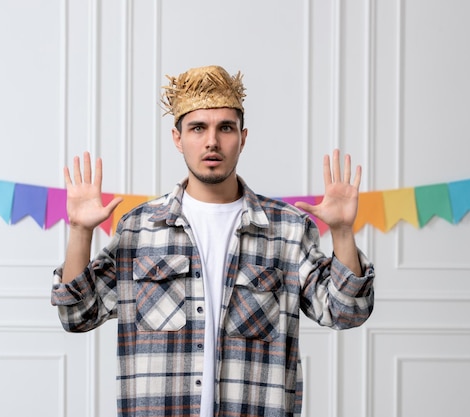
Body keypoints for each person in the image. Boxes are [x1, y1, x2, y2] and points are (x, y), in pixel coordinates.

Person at [51, 65, 375, 417]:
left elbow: (346, 312)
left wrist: (342, 232)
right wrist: (81, 232)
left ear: (243, 136)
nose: (212, 141)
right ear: (178, 138)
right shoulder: (138, 229)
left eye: (225, 127)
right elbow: (77, 315)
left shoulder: (288, 229)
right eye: (197, 128)